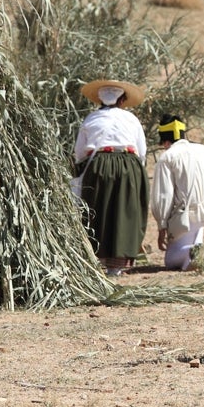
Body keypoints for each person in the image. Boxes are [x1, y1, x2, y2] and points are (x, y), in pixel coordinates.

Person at [74, 79, 149, 276]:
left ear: (100, 99)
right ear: (123, 99)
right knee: (125, 211)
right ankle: (116, 265)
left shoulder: (91, 118)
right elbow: (141, 151)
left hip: (98, 165)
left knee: (97, 209)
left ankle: (97, 259)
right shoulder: (131, 119)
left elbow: (79, 152)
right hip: (129, 165)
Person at [150, 114, 204, 271]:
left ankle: (192, 252)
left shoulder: (167, 157)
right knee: (196, 221)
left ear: (166, 141)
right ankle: (196, 249)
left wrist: (162, 226)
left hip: (190, 213)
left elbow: (163, 196)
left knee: (171, 261)